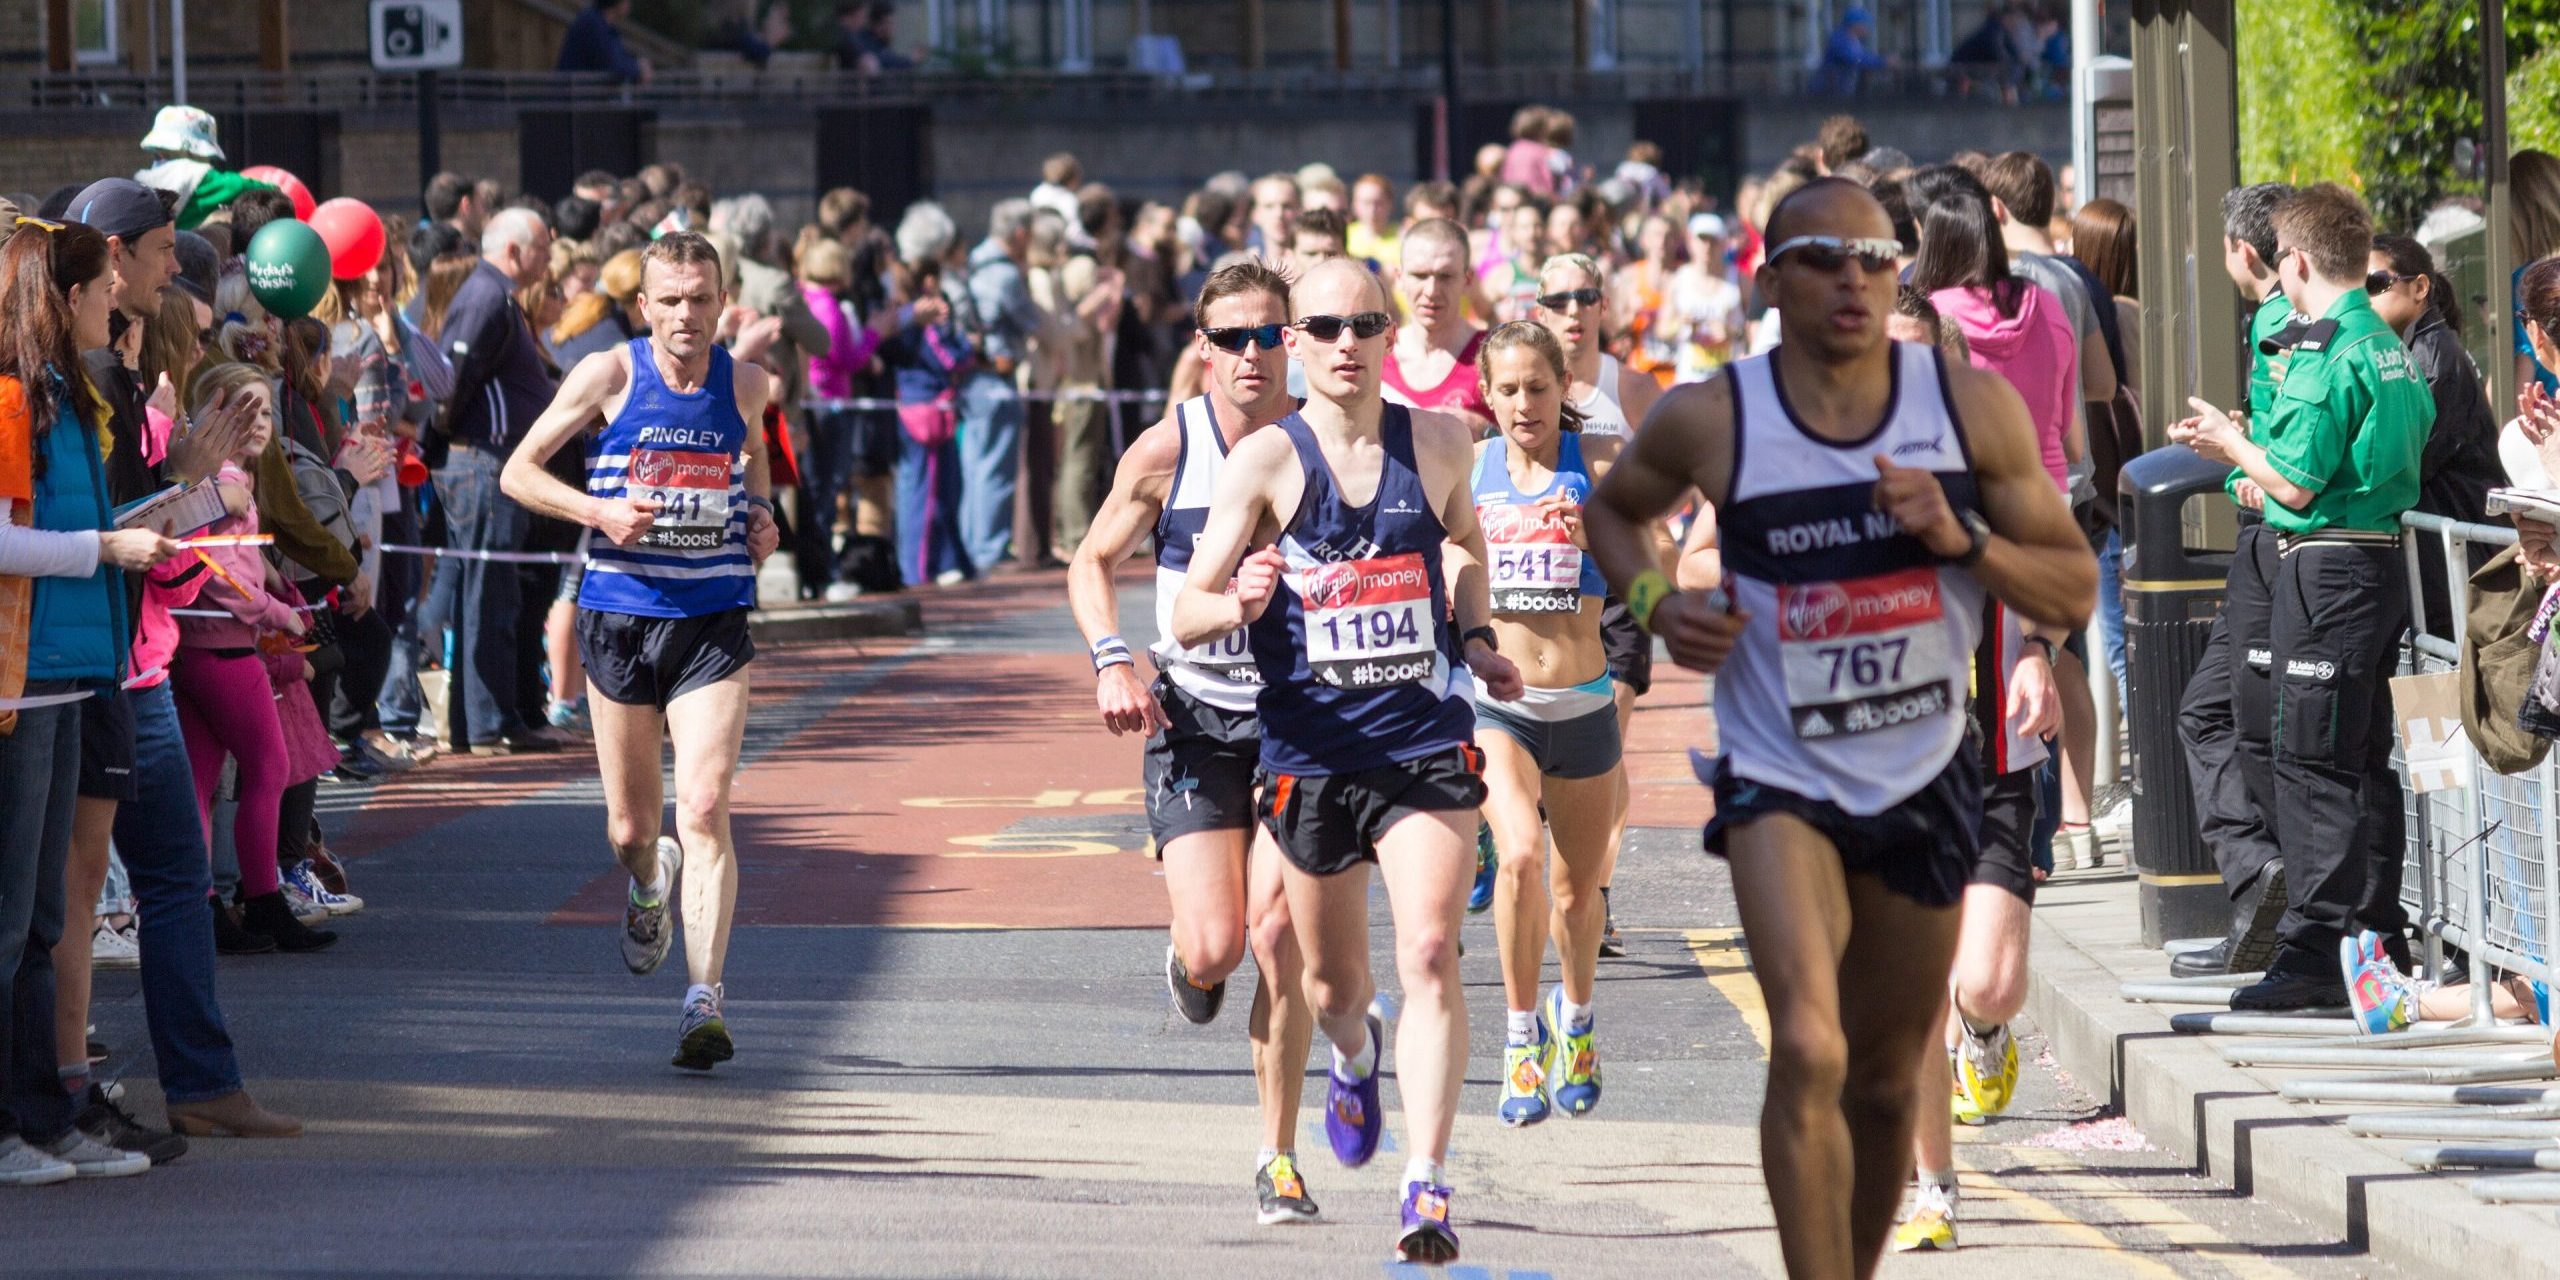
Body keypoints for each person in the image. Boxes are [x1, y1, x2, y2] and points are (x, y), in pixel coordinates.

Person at [1583, 177, 2095, 1280]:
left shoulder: (1969, 413)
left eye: (1874, 257)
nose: (1852, 278)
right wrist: (1655, 604)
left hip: (1925, 771)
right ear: (1771, 281)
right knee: (1811, 1043)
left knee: (1884, 1074)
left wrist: (1962, 539)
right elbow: (1613, 511)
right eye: (1822, 257)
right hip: (1781, 773)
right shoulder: (1714, 416)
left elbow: (2072, 583)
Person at [1170, 259, 1526, 1264]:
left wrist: (1476, 634)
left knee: (1429, 950)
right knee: (1331, 988)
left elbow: (1462, 543)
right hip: (1313, 756)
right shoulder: (1264, 461)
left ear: (1385, 335)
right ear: (1294, 339)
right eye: (1323, 326)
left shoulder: (1442, 440)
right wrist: (1236, 601)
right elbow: (1186, 611)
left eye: (1365, 324)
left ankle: (1426, 1181)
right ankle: (1355, 1053)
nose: (1346, 343)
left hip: (1422, 740)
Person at [1066, 259, 1324, 1225]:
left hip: (1301, 725)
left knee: (1278, 937)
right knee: (1219, 946)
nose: (1253, 355)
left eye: (1269, 336)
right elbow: (1092, 560)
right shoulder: (1167, 450)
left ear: (1292, 341)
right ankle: (1192, 962)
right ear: (1204, 348)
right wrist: (1111, 660)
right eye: (1232, 339)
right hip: (1195, 721)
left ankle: (1277, 1157)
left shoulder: (1325, 442)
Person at [501, 232, 784, 1069]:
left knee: (703, 805)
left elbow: (755, 460)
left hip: (712, 618)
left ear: (722, 302)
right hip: (620, 618)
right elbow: (520, 471)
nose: (686, 315)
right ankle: (648, 880)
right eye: (670, 301)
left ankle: (703, 1000)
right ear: (643, 306)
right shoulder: (609, 375)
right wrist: (599, 513)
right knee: (631, 827)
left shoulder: (748, 383)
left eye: (700, 299)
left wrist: (763, 516)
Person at [2170, 183, 2434, 1010]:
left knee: (2312, 759)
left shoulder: (2332, 350)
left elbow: (2294, 481)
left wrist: (2230, 442)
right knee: (2356, 758)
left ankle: (2318, 953)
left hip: (2331, 570)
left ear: (2295, 261)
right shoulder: (2385, 342)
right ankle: (2368, 939)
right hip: (2372, 561)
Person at [0, 216, 175, 1185]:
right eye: (105, 290)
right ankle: (12, 1122)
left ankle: (43, 1115)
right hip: (23, 677)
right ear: (68, 298)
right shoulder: (13, 398)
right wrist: (103, 549)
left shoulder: (64, 396)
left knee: (39, 918)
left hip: (68, 670)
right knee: (14, 918)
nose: (117, 302)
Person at [1466, 321, 1624, 1127]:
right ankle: (1520, 1039)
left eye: (1538, 386)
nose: (1524, 403)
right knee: (1520, 856)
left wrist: (1600, 536)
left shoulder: (1599, 464)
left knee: (1575, 893)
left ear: (1564, 387)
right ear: (1487, 395)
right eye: (1508, 389)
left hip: (1585, 700)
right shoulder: (1471, 468)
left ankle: (1578, 1017)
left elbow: (1662, 566)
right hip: (1502, 705)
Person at [2168, 181, 2299, 979]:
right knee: (2217, 712)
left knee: (2232, 717)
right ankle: (2261, 892)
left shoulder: (2281, 322)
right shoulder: (2283, 322)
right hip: (2275, 546)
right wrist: (2241, 443)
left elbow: (2295, 464)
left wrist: (2236, 454)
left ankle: (2268, 888)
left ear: (2241, 252)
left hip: (2279, 550)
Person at [166, 363, 335, 952]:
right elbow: (218, 572)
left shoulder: (217, 478)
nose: (261, 421)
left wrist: (269, 586)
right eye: (247, 409)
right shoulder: (223, 482)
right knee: (269, 769)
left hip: (195, 649)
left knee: (201, 784)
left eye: (266, 410)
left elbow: (223, 563)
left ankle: (205, 908)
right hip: (226, 650)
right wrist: (278, 612)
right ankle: (262, 901)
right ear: (215, 413)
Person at [432, 207, 558, 754]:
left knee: (490, 594)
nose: (549, 259)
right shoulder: (487, 296)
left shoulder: (494, 295)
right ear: (513, 250)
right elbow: (453, 377)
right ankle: (487, 723)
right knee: (489, 596)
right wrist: (450, 432)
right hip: (484, 462)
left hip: (490, 460)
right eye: (542, 248)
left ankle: (483, 720)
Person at [2368, 233, 2501, 638]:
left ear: (2420, 287)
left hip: (2458, 560)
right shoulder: (2415, 351)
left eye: (2375, 283)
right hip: (2443, 557)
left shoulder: (2433, 358)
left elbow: (2406, 466)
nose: (2364, 298)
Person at [961, 200, 1042, 574]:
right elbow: (1030, 320)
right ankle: (991, 548)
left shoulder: (973, 262)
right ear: (1020, 233)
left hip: (972, 377)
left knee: (974, 465)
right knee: (996, 467)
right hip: (999, 374)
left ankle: (973, 544)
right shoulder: (1006, 274)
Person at [1385, 218, 1492, 433]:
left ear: (1468, 280)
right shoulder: (1375, 354)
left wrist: (1486, 429)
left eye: (1445, 276)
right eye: (1420, 275)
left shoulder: (1494, 355)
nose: (1432, 290)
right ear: (1399, 278)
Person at [131, 106, 275, 232]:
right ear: (191, 152)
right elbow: (237, 185)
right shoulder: (196, 177)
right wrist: (274, 188)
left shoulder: (141, 184)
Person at [558, 0, 652, 84]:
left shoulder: (605, 25)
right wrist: (638, 69)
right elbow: (614, 65)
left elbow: (619, 58)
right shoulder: (592, 23)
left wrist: (638, 65)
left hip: (584, 93)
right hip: (572, 94)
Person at [1815, 11, 1892, 95]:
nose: (1867, 28)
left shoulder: (1852, 39)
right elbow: (1855, 59)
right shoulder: (1840, 39)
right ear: (1856, 25)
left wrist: (1883, 60)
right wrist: (1883, 62)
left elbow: (1863, 55)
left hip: (1839, 89)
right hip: (1827, 91)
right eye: (1865, 24)